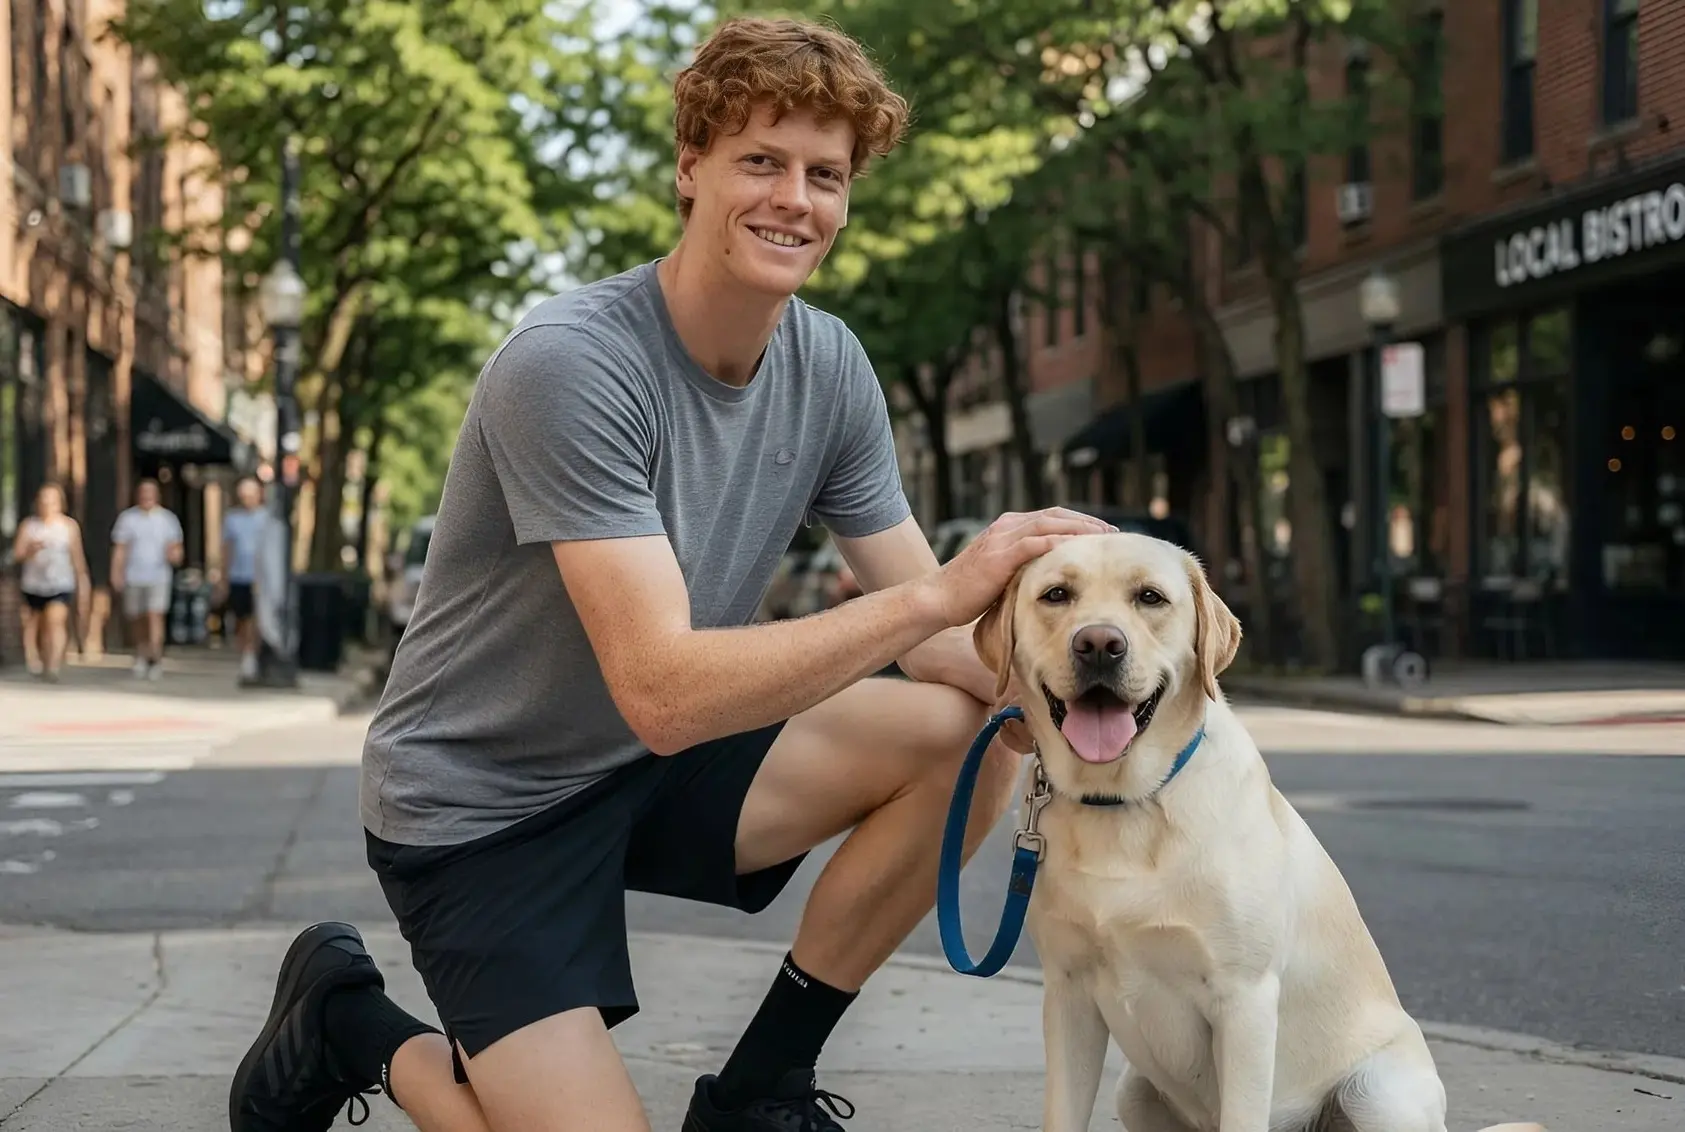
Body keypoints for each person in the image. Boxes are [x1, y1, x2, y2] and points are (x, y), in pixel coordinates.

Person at [227, 16, 1110, 1132]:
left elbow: (935, 646)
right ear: (689, 169)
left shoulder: (828, 366)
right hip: (484, 807)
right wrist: (942, 591)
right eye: (760, 161)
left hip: (658, 769)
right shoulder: (569, 364)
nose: (794, 198)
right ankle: (350, 1020)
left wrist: (1058, 691)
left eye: (824, 175)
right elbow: (662, 688)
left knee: (963, 730)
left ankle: (759, 1091)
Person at [13, 482, 90, 682]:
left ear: (60, 503)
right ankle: (37, 658)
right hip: (34, 583)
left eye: (52, 500)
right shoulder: (29, 526)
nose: (47, 504)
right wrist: (31, 549)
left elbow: (77, 556)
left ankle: (54, 665)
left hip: (60, 582)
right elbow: (18, 554)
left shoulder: (68, 526)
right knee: (35, 625)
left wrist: (82, 580)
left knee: (55, 621)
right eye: (43, 500)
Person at [110, 478, 183, 680]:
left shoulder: (168, 520)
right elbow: (120, 549)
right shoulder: (128, 519)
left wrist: (174, 555)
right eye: (143, 493)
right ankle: (141, 654)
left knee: (154, 615)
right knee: (137, 618)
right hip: (134, 576)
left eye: (151, 493)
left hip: (158, 576)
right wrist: (116, 573)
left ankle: (156, 658)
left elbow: (176, 548)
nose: (147, 497)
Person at [218, 477, 269, 682]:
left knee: (256, 618)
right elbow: (226, 549)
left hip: (261, 578)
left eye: (251, 495)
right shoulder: (233, 519)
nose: (247, 499)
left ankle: (253, 655)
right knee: (241, 617)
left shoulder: (268, 518)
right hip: (238, 575)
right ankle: (245, 653)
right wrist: (223, 576)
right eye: (244, 496)